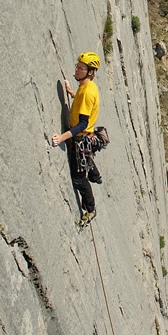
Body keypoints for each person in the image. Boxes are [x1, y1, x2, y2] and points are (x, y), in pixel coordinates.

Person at [52, 51, 101, 225]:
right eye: (77, 66)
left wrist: (62, 138)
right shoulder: (87, 87)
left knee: (79, 179)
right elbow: (82, 103)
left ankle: (91, 209)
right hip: (85, 136)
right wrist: (72, 93)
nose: (77, 70)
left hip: (80, 138)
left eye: (81, 68)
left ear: (90, 72)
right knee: (85, 167)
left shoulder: (87, 92)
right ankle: (95, 174)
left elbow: (81, 124)